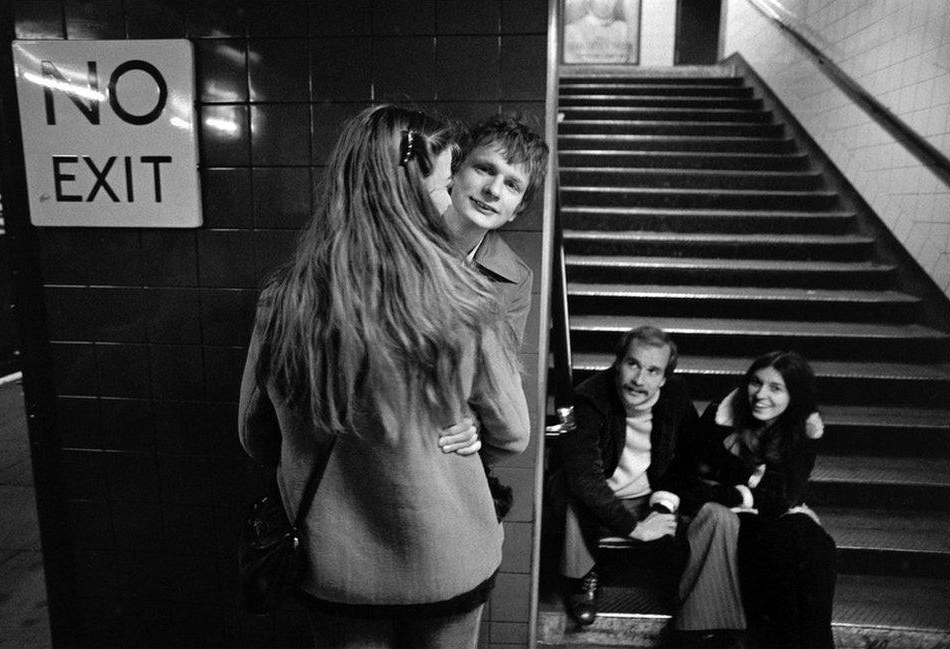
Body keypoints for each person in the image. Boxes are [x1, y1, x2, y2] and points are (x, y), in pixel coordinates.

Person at [238, 105, 530, 649]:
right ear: (412, 195)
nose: (452, 200)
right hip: (448, 563)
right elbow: (513, 434)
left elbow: (255, 437)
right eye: (447, 184)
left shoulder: (283, 301)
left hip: (335, 570)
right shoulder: (469, 303)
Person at [679, 351, 836, 648]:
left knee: (815, 543)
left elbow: (787, 493)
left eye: (776, 388)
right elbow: (690, 480)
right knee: (785, 543)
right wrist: (745, 490)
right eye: (755, 382)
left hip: (766, 523)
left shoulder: (802, 428)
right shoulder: (720, 418)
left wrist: (749, 492)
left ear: (795, 395)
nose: (760, 395)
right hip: (719, 524)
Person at [552, 326, 699, 626]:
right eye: (633, 364)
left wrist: (664, 504)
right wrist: (636, 528)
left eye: (652, 370)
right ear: (618, 362)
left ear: (664, 377)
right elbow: (585, 478)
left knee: (708, 510)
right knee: (566, 487)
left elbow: (692, 453)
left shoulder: (675, 394)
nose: (639, 379)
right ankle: (582, 578)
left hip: (647, 496)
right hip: (598, 496)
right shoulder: (589, 397)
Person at [441, 113, 549, 347]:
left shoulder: (517, 279)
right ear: (454, 171)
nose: (494, 190)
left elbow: (499, 371)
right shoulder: (398, 238)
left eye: (512, 184)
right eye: (485, 169)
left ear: (516, 209)